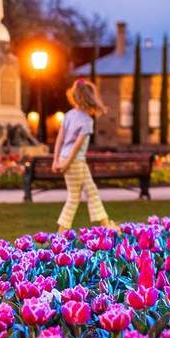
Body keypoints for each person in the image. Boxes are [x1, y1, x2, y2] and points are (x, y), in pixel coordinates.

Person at [52, 79, 118, 233]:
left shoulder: (68, 115)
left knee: (92, 191)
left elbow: (59, 139)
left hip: (67, 159)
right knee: (74, 197)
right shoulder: (87, 121)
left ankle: (106, 225)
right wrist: (67, 163)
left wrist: (56, 160)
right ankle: (60, 234)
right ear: (90, 98)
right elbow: (77, 146)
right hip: (74, 161)